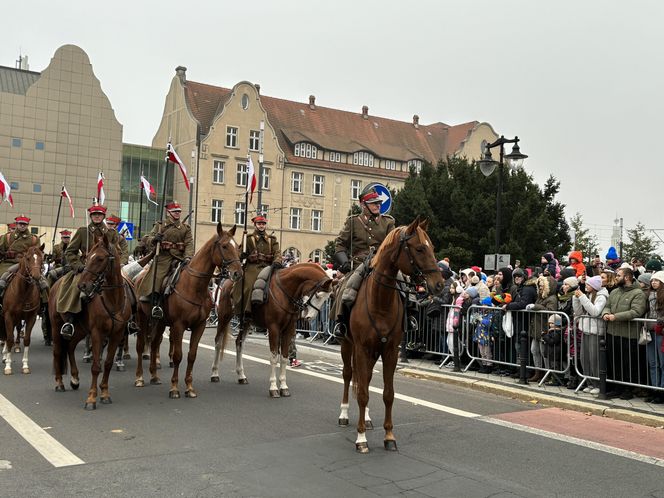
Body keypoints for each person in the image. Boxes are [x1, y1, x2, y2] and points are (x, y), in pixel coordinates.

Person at [331, 187, 395, 337]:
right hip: (359, 264)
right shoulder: (353, 222)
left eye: (378, 203)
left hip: (381, 264)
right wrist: (344, 262)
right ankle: (341, 323)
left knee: (402, 281)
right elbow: (340, 245)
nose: (377, 205)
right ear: (363, 205)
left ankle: (409, 318)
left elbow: (393, 244)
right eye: (373, 203)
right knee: (347, 287)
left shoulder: (388, 222)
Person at [57, 204, 123, 337]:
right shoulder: (83, 231)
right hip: (86, 268)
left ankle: (127, 320)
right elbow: (70, 252)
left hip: (106, 269)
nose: (97, 217)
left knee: (125, 287)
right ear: (91, 216)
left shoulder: (111, 233)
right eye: (94, 215)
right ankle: (70, 320)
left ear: (103, 216)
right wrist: (78, 266)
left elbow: (118, 252)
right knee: (75, 286)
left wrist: (117, 264)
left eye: (99, 215)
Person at [137, 201, 194, 318]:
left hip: (180, 258)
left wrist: (188, 256)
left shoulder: (185, 228)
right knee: (158, 276)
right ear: (168, 213)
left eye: (178, 211)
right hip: (163, 257)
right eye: (174, 212)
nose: (177, 213)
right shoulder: (160, 225)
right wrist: (154, 239)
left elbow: (189, 244)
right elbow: (147, 238)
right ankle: (155, 302)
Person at [601, 267, 647, 399]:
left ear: (627, 277)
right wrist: (605, 313)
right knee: (614, 362)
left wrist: (616, 316)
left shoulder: (638, 293)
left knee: (628, 363)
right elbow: (607, 305)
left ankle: (628, 390)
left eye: (618, 275)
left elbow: (636, 311)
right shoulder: (615, 291)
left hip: (628, 334)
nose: (616, 277)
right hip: (612, 332)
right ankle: (617, 387)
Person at [232, 214, 282, 320]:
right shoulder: (248, 238)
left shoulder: (272, 239)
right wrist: (243, 254)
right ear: (255, 225)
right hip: (253, 266)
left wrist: (277, 261)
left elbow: (277, 252)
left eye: (263, 224)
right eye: (259, 224)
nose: (261, 226)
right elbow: (240, 254)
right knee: (251, 284)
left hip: (268, 267)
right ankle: (247, 311)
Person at [0, 214, 49, 311]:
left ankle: (44, 306)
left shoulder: (34, 239)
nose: (22, 226)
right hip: (8, 263)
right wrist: (5, 253)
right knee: (2, 280)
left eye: (24, 224)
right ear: (16, 224)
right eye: (20, 224)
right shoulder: (8, 237)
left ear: (27, 225)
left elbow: (38, 253)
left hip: (28, 265)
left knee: (44, 284)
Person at [573, 275, 608, 395]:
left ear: (594, 286)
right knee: (584, 358)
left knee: (594, 359)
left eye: (588, 285)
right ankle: (589, 382)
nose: (586, 286)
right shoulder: (588, 296)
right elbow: (578, 312)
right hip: (586, 329)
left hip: (596, 331)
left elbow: (595, 312)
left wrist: (582, 297)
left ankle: (598, 383)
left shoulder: (602, 297)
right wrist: (576, 298)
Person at [645, 271, 664, 403]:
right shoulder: (647, 295)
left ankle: (662, 390)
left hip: (661, 332)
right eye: (652, 281)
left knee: (662, 363)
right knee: (653, 363)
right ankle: (655, 388)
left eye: (656, 280)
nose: (653, 282)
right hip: (649, 331)